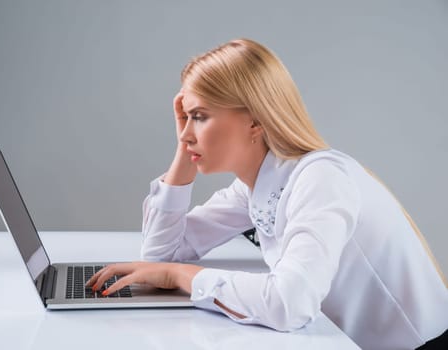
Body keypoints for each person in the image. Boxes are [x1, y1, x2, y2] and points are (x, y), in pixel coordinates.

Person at [86, 38, 448, 349]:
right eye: (186, 119)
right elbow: (159, 253)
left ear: (256, 120)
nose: (186, 133)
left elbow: (290, 305)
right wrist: (184, 152)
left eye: (200, 116)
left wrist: (183, 276)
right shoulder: (256, 185)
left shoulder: (321, 178)